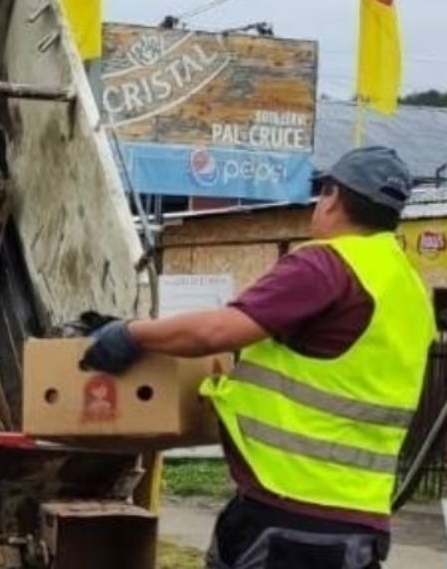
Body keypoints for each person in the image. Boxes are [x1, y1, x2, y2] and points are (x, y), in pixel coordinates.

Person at [82, 146, 435, 569]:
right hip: (358, 521)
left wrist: (129, 333)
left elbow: (216, 331)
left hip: (289, 514)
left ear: (333, 196)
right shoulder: (409, 288)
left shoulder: (327, 265)